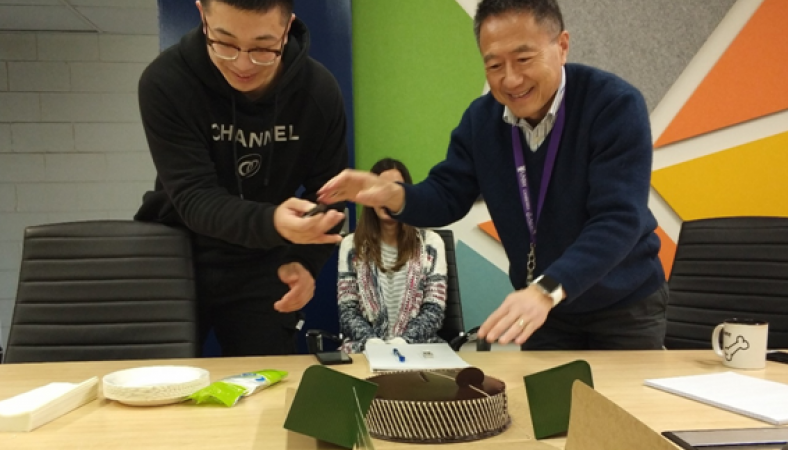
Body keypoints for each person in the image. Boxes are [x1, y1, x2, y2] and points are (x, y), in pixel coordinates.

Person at [317, 0, 668, 350]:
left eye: (524, 59)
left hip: (623, 306)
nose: (510, 79)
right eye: (495, 64)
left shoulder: (613, 105)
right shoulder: (482, 121)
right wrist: (391, 194)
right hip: (544, 312)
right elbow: (446, 195)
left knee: (622, 406)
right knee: (550, 405)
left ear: (561, 46)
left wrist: (546, 290)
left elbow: (618, 219)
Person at [134, 0, 347, 356]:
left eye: (264, 48)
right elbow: (195, 197)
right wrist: (273, 220)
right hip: (178, 253)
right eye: (224, 42)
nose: (243, 64)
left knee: (269, 387)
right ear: (202, 14)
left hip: (262, 259)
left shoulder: (318, 92)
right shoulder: (166, 81)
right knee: (162, 387)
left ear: (287, 27)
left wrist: (306, 264)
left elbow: (332, 196)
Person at [337, 158, 448, 353]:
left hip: (418, 349)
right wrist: (373, 344)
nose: (386, 198)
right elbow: (348, 311)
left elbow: (434, 311)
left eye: (394, 189)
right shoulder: (351, 246)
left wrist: (402, 344)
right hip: (365, 350)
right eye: (381, 188)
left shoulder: (431, 243)